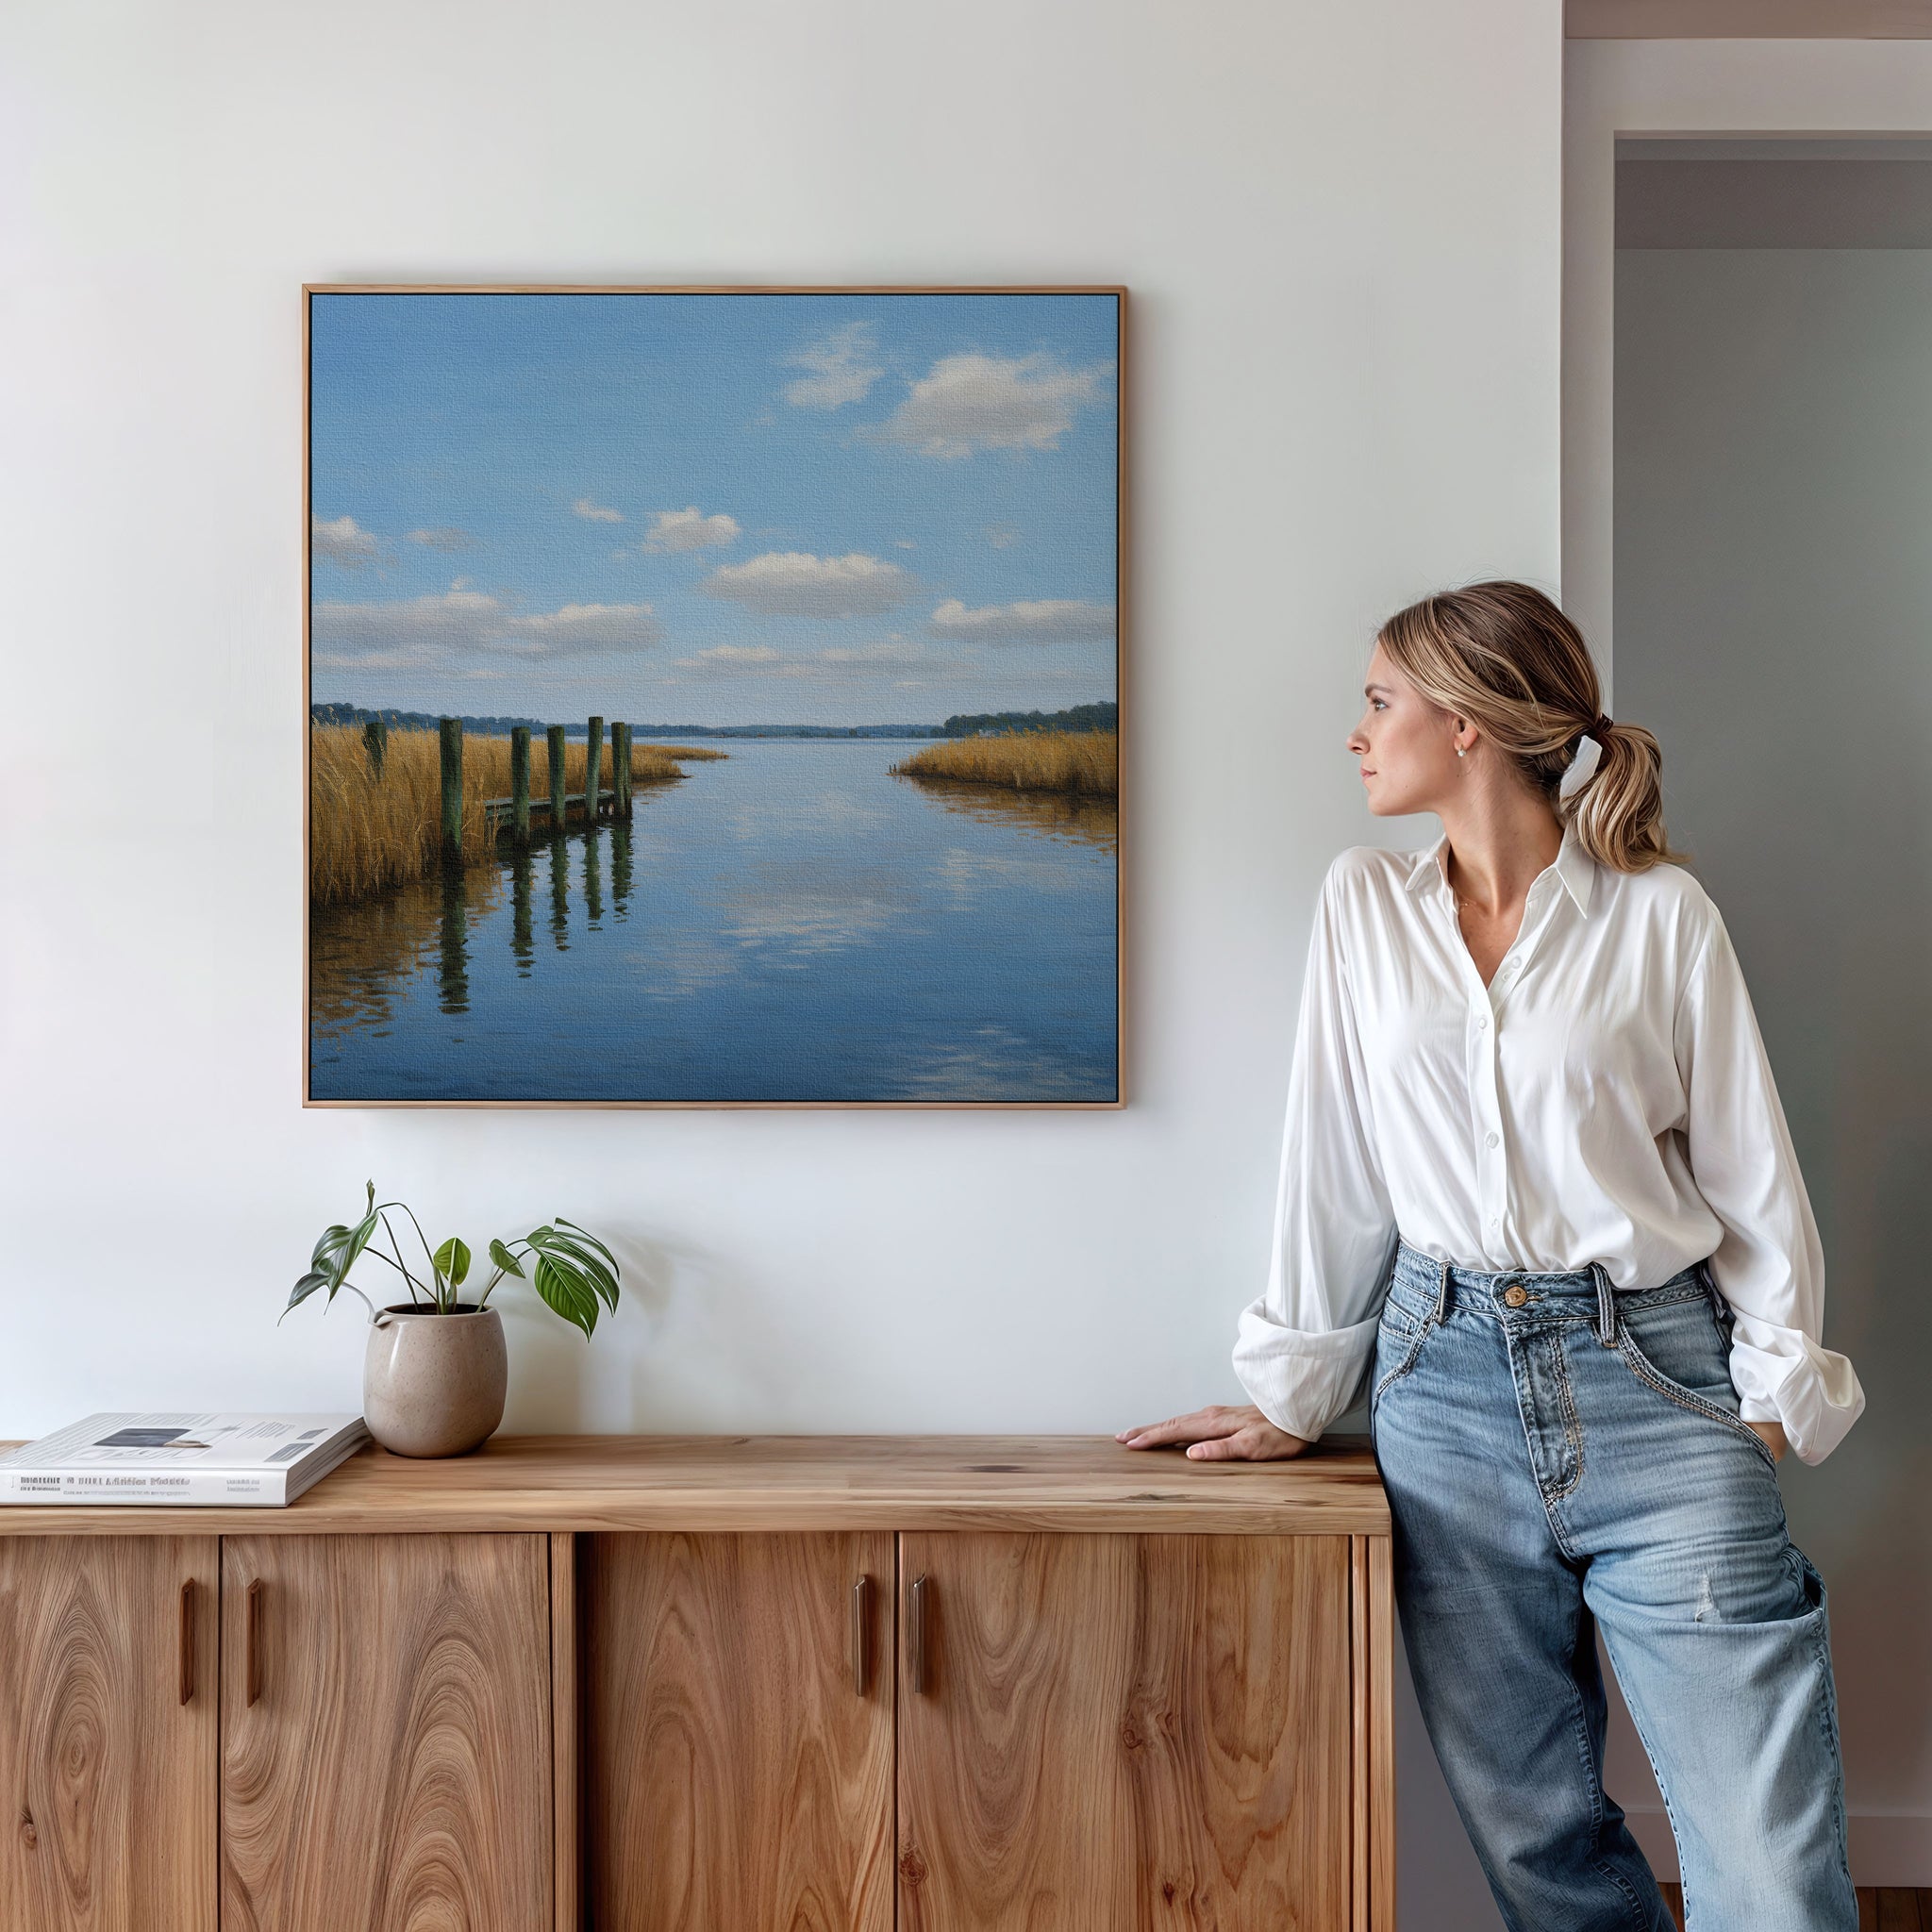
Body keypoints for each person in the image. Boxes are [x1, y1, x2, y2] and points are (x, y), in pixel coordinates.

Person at [1117, 581, 1864, 1930]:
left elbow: (1752, 1171)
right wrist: (1296, 1389)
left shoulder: (1661, 915)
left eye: (1379, 701)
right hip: (1443, 1393)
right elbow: (1334, 1162)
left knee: (1768, 1865)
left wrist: (1766, 1402)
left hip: (1658, 1380)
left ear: (1466, 724)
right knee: (1538, 1846)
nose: (1357, 734)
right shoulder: (1362, 906)